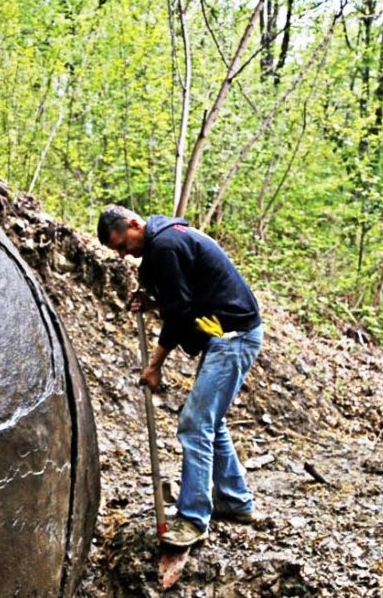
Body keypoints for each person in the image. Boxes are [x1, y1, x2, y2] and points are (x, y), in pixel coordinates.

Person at [97, 205, 263, 547]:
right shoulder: (168, 240)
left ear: (133, 224)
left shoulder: (166, 245)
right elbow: (184, 296)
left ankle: (193, 519)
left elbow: (179, 311)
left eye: (123, 245)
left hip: (233, 337)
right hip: (228, 333)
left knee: (195, 423)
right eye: (118, 252)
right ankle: (235, 501)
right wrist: (152, 302)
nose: (125, 255)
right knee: (210, 422)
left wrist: (155, 364)